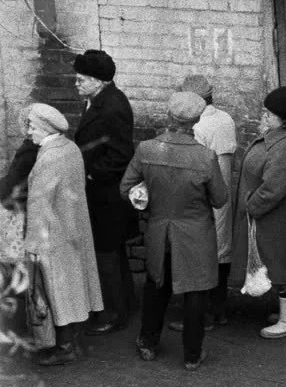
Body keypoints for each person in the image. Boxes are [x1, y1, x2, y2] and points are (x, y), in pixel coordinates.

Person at [121, 91, 229, 370]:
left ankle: (148, 343)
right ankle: (192, 355)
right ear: (195, 121)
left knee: (156, 285)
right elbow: (219, 199)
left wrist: (147, 198)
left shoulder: (147, 149)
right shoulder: (205, 157)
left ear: (168, 116)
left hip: (159, 230)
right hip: (195, 234)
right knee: (195, 292)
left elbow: (126, 189)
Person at [23, 104, 103, 366]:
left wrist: (32, 245)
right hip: (73, 227)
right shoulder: (70, 149)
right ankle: (70, 340)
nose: (28, 132)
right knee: (71, 287)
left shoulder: (48, 157)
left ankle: (65, 346)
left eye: (32, 127)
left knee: (53, 290)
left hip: (52, 233)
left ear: (45, 128)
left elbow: (39, 204)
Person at [72, 50, 137, 336]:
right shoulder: (98, 100)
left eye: (81, 79)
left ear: (99, 81)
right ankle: (125, 304)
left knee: (106, 253)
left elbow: (122, 154)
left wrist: (90, 173)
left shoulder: (112, 107)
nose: (76, 84)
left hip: (106, 195)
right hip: (103, 193)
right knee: (112, 251)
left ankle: (113, 314)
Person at [241, 87, 286, 338]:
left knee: (284, 269)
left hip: (279, 217)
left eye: (268, 113)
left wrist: (251, 206)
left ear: (281, 117)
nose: (264, 116)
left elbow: (273, 188)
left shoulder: (284, 146)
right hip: (281, 214)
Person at [178, 74, 237, 328]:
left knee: (200, 255)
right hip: (224, 192)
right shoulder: (226, 119)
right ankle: (219, 309)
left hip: (202, 196)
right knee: (221, 250)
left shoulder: (197, 127)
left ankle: (202, 316)